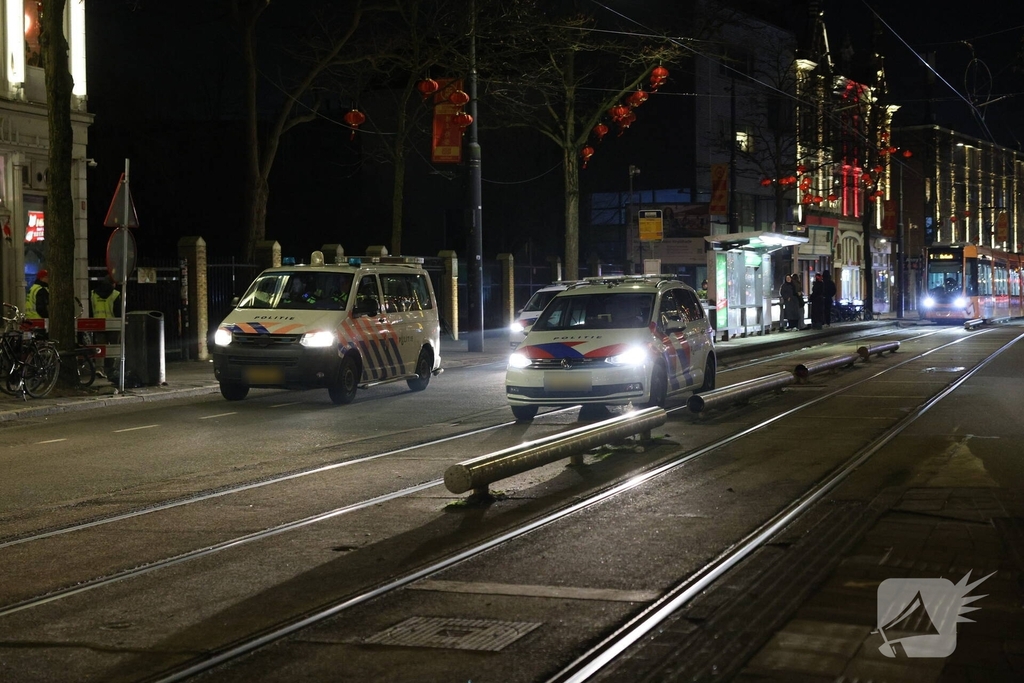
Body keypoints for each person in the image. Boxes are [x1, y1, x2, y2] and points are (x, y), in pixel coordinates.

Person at [91, 276, 122, 378]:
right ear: (113, 284)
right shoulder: (115, 294)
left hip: (98, 324)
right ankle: (112, 369)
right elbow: (118, 312)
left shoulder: (94, 293)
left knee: (100, 347)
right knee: (113, 347)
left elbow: (93, 309)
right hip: (113, 324)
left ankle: (99, 368)